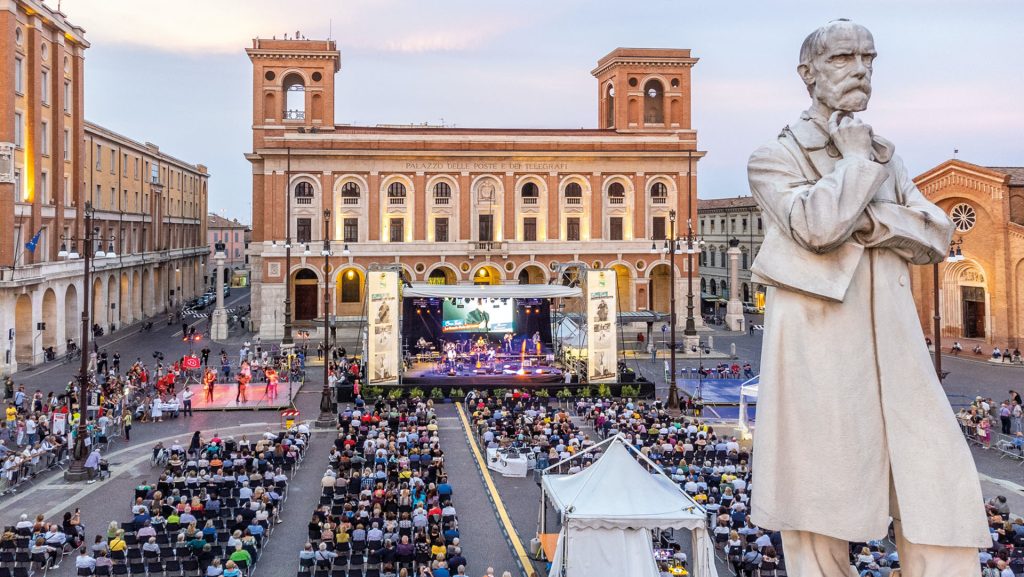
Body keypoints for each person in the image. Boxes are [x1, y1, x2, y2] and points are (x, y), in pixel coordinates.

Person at [747, 19, 990, 576]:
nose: (860, 70)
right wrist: (859, 172)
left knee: (937, 484)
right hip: (820, 345)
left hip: (897, 344)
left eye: (868, 59)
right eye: (842, 59)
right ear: (807, 74)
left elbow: (936, 233)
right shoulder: (773, 157)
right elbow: (814, 225)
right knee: (818, 500)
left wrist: (865, 218)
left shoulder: (890, 157)